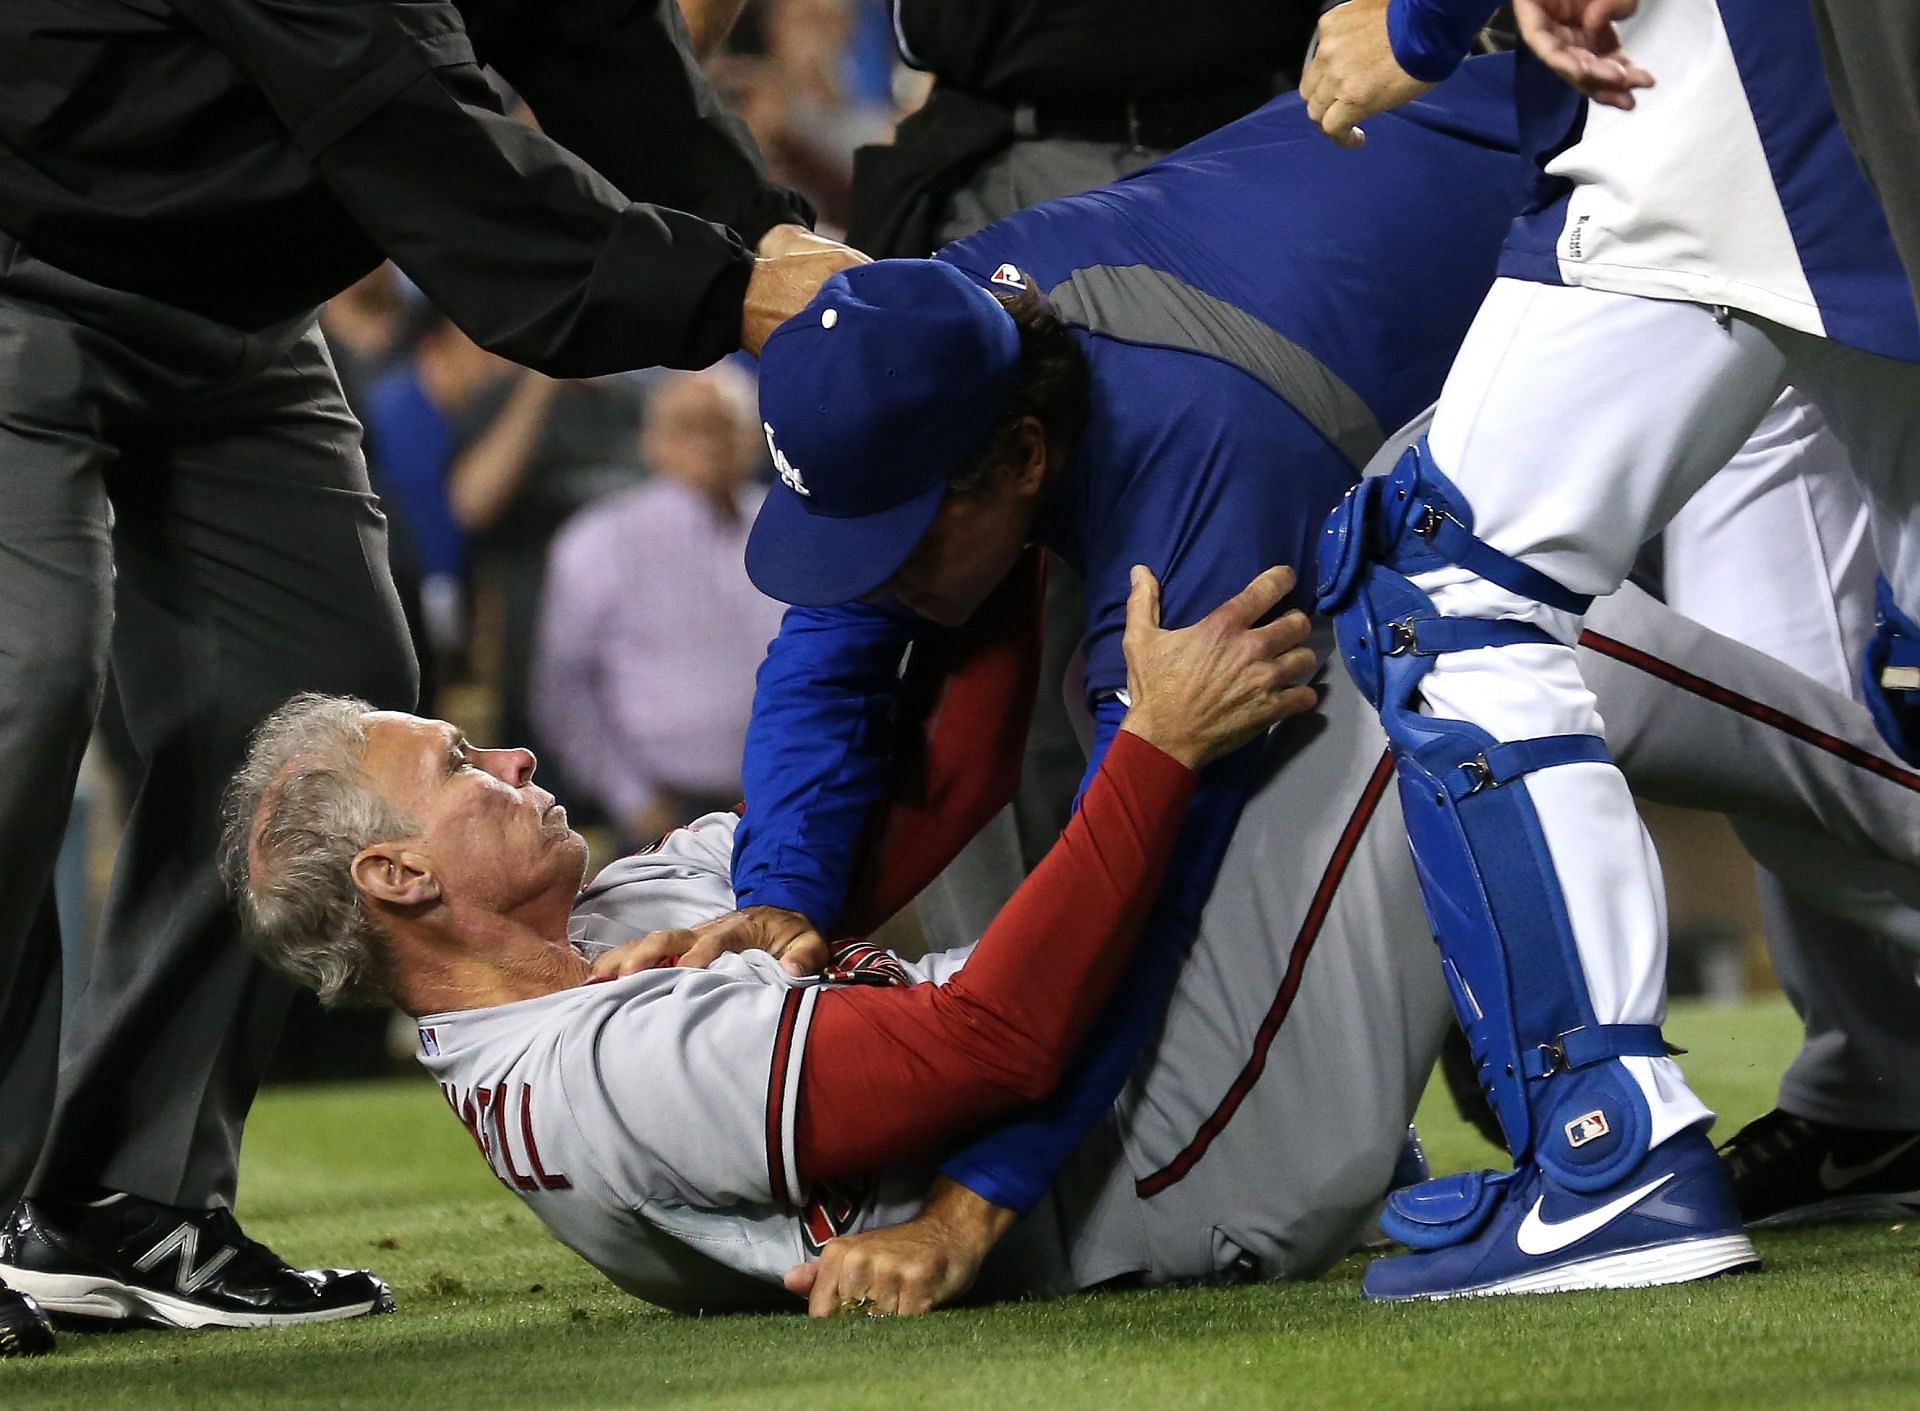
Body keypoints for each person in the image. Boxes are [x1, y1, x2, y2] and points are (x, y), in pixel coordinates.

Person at [197, 547, 1920, 1318]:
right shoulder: (582, 1079)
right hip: (1161, 1175)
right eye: (456, 770)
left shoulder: (626, 916)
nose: (506, 754)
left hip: (1125, 1096)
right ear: (399, 883)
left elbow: (918, 804)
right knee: (1470, 615)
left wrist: (1048, 549)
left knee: (1446, 562)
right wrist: (1157, 746)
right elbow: (983, 1051)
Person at [0, 0, 860, 1351]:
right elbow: (422, 142)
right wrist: (734, 289)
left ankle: (125, 1196)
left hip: (236, 309)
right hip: (20, 253)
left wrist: (768, 240)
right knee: (19, 680)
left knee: (321, 716)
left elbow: (599, 55)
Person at [1298, 0, 1920, 1298]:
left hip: (1726, 76)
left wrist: (1423, 24)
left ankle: (1604, 1159)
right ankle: (1889, 1077)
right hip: (1840, 82)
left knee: (1443, 579)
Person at [533, 365, 788, 846]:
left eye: (725, 424)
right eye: (690, 425)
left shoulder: (789, 531)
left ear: (756, 440)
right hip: (667, 809)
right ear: (653, 441)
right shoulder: (600, 539)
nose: (709, 441)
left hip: (786, 796)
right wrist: (633, 800)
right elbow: (564, 689)